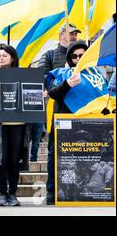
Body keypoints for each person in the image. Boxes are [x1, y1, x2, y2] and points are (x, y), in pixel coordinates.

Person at [39, 23, 81, 205]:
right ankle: (52, 191)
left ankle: (71, 190)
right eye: (71, 33)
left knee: (75, 155)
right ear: (61, 35)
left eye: (75, 34)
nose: (74, 36)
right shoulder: (49, 55)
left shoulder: (84, 58)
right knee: (54, 154)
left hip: (79, 114)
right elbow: (43, 80)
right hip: (57, 113)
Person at [46, 41, 90, 205]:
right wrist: (67, 84)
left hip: (85, 123)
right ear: (69, 58)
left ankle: (79, 192)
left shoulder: (94, 74)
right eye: (75, 56)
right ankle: (52, 192)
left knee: (82, 159)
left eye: (82, 55)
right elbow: (52, 92)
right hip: (62, 122)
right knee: (54, 157)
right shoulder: (61, 73)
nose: (78, 58)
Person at [0, 44, 26, 206]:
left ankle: (13, 194)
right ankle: (2, 193)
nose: (0, 58)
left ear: (13, 58)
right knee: (0, 160)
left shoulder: (23, 74)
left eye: (4, 55)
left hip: (18, 123)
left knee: (14, 160)